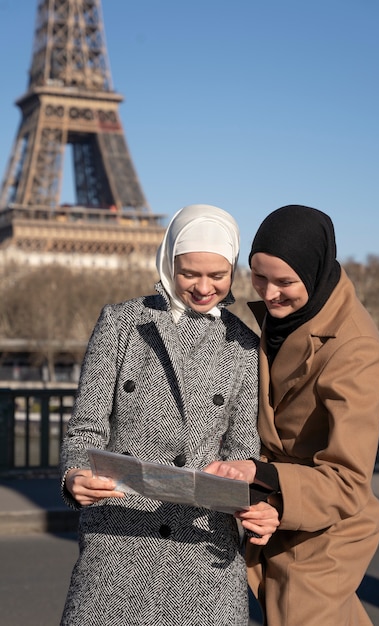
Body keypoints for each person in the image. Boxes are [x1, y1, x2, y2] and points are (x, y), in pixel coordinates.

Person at [59, 204, 276, 626]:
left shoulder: (246, 345)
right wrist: (73, 477)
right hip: (118, 545)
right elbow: (85, 430)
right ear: (167, 261)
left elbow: (242, 454)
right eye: (189, 273)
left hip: (205, 555)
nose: (203, 287)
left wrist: (251, 506)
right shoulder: (120, 324)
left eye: (218, 275)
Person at [205, 205, 379, 626]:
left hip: (328, 525)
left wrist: (268, 484)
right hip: (279, 507)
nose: (268, 294)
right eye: (259, 276)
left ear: (315, 270)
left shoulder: (355, 347)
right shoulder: (286, 317)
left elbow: (348, 480)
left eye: (285, 282)